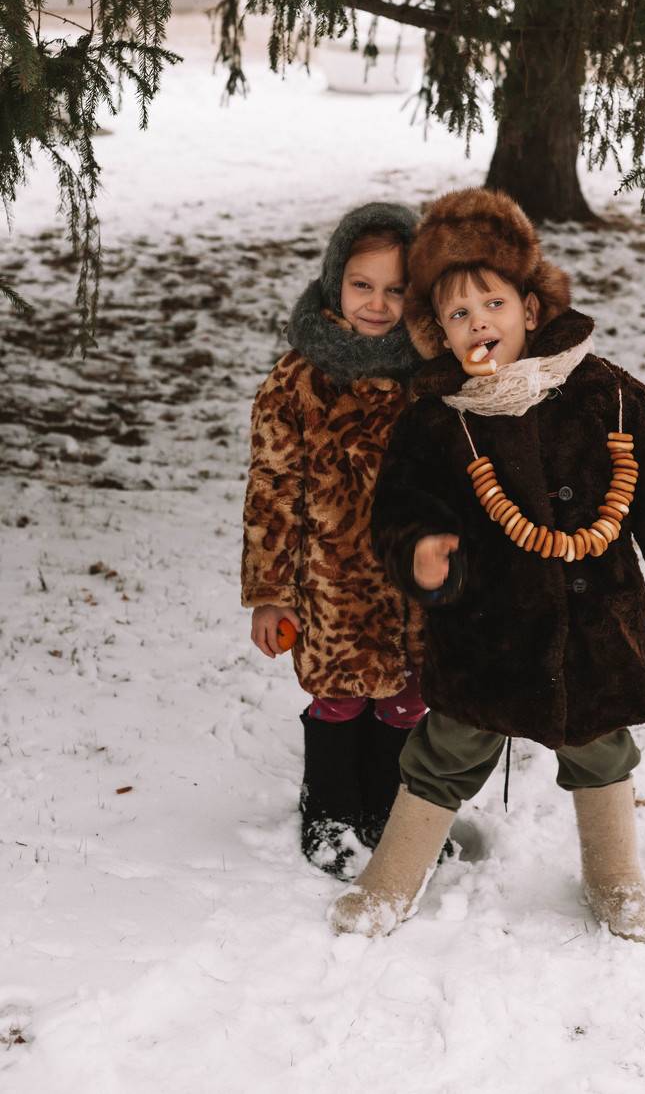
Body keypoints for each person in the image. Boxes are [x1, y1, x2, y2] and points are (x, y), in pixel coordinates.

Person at [329, 187, 645, 941]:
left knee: (601, 744)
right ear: (437, 333)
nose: (479, 321)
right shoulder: (436, 423)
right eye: (458, 313)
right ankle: (391, 881)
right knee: (446, 749)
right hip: (486, 631)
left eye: (493, 303)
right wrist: (420, 552)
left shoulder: (607, 395)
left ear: (531, 308)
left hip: (595, 625)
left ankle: (615, 876)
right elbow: (401, 508)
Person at [241, 201, 426, 877]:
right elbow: (271, 493)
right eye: (361, 285)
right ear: (334, 282)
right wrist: (270, 593)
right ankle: (329, 806)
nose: (377, 304)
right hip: (331, 583)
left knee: (409, 697)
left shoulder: (431, 376)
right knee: (342, 692)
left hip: (418, 580)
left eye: (396, 289)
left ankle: (390, 807)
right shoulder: (297, 381)